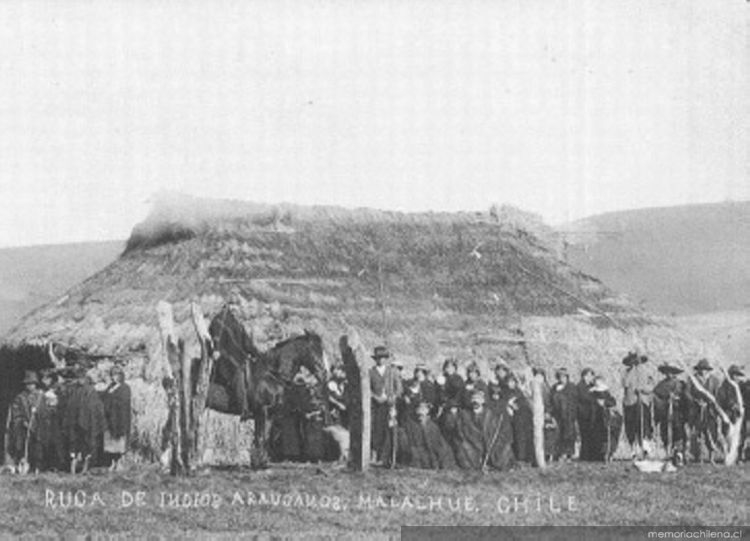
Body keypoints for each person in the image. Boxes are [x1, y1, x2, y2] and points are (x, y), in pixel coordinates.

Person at [444, 390, 516, 471]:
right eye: (474, 400)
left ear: (482, 402)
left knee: (503, 449)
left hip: (490, 443)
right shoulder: (466, 415)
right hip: (474, 444)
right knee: (464, 448)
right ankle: (477, 465)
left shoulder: (490, 415)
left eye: (478, 400)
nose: (475, 403)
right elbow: (462, 431)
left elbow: (496, 431)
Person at [62, 367, 106, 473]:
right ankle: (73, 469)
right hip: (75, 423)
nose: (80, 380)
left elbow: (96, 407)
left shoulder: (91, 391)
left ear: (86, 378)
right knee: (74, 445)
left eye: (82, 378)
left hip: (88, 424)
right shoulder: (74, 390)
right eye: (78, 378)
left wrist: (91, 419)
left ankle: (85, 468)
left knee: (88, 445)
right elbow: (70, 407)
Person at [369, 346, 402, 464]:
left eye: (383, 358)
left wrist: (392, 398)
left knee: (387, 430)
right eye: (378, 358)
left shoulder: (392, 372)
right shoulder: (371, 372)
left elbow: (399, 389)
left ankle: (385, 457)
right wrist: (375, 397)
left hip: (389, 405)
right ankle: (374, 455)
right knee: (375, 429)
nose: (380, 360)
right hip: (375, 406)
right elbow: (367, 389)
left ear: (386, 359)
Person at [684, 358, 720, 463]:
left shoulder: (714, 380)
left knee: (711, 432)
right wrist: (695, 401)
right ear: (698, 369)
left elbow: (717, 396)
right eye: (701, 369)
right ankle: (697, 456)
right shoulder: (692, 380)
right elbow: (687, 393)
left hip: (710, 411)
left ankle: (711, 457)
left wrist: (711, 403)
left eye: (705, 369)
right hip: (695, 410)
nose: (703, 371)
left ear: (708, 370)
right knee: (696, 432)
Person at [402, 401, 456, 470]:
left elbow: (439, 441)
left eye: (424, 415)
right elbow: (411, 442)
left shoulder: (433, 426)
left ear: (428, 416)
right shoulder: (411, 425)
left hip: (432, 450)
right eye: (420, 415)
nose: (421, 418)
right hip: (419, 450)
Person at [30, 370, 65, 472]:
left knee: (57, 442)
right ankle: (46, 464)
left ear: (51, 379)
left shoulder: (58, 389)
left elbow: (61, 405)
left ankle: (59, 464)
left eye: (47, 378)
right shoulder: (42, 391)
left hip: (56, 420)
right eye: (43, 379)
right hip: (45, 420)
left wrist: (54, 405)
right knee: (45, 441)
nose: (44, 381)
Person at [9, 371, 43, 469]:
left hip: (38, 427)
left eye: (32, 384)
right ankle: (23, 464)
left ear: (36, 384)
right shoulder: (20, 397)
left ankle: (37, 467)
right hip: (24, 427)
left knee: (38, 446)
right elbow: (16, 412)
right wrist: (22, 420)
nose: (30, 386)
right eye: (28, 384)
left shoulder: (41, 396)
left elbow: (45, 413)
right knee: (24, 445)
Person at [621, 352, 654, 456]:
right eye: (633, 361)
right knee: (630, 425)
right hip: (629, 402)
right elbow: (625, 384)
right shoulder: (626, 373)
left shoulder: (646, 372)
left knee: (644, 423)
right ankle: (633, 448)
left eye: (637, 361)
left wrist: (643, 389)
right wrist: (632, 372)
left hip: (642, 401)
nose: (635, 363)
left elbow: (651, 386)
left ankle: (645, 446)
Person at [653, 362, 686, 459]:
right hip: (664, 412)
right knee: (665, 431)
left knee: (678, 431)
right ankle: (667, 451)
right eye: (667, 372)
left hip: (676, 411)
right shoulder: (661, 384)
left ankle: (678, 454)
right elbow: (656, 394)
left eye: (671, 372)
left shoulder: (679, 384)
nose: (669, 374)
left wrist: (676, 398)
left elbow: (683, 396)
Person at [101, 366, 132, 471]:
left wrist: (112, 401)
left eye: (118, 375)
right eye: (114, 375)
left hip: (119, 419)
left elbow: (123, 404)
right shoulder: (110, 387)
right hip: (110, 420)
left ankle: (119, 463)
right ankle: (112, 462)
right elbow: (104, 399)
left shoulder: (125, 388)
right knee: (110, 444)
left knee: (119, 442)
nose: (115, 377)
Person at [716, 364, 747, 461]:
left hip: (739, 415)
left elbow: (745, 397)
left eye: (738, 375)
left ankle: (738, 456)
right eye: (735, 375)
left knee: (741, 434)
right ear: (730, 375)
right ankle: (728, 455)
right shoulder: (724, 386)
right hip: (728, 414)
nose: (737, 377)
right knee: (728, 434)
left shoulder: (740, 386)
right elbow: (721, 400)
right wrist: (732, 405)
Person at [588, 378, 621, 462]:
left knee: (609, 435)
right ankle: (601, 454)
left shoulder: (608, 395)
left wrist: (605, 403)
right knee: (600, 436)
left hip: (606, 418)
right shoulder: (592, 395)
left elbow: (613, 403)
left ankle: (609, 452)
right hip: (598, 418)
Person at [506, 373, 534, 463]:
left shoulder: (519, 392)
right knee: (516, 437)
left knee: (521, 437)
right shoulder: (508, 392)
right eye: (509, 382)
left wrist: (513, 405)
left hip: (522, 417)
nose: (510, 384)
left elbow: (522, 404)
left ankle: (523, 457)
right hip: (514, 418)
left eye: (512, 382)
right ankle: (519, 456)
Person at [551, 367, 578, 461]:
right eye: (560, 377)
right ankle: (560, 453)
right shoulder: (555, 387)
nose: (562, 378)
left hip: (569, 415)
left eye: (564, 377)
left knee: (569, 434)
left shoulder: (572, 387)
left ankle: (569, 454)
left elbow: (574, 401)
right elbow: (552, 400)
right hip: (558, 415)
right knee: (559, 434)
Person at [576, 368, 597, 461]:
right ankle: (584, 455)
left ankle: (591, 455)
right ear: (584, 376)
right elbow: (583, 398)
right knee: (584, 434)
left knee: (591, 434)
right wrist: (591, 392)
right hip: (583, 414)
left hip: (592, 414)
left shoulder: (592, 386)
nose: (590, 378)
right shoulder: (580, 386)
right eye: (588, 375)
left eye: (591, 376)